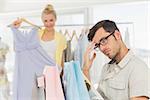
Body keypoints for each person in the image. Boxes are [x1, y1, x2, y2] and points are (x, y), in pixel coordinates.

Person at [82, 20, 150, 100]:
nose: (102, 48)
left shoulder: (138, 68)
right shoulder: (106, 69)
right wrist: (86, 69)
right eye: (98, 45)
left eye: (103, 41)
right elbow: (95, 97)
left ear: (117, 35)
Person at [39, 4, 67, 73]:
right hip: (40, 72)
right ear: (42, 21)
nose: (48, 23)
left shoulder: (61, 38)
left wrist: (63, 74)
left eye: (51, 20)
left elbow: (62, 58)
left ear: (55, 19)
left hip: (55, 72)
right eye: (45, 21)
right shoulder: (37, 35)